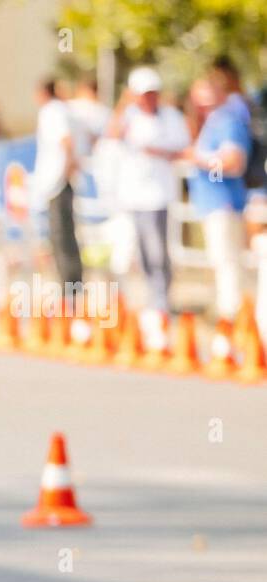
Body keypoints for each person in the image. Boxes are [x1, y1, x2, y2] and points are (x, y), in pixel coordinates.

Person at [104, 67, 190, 332]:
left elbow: (182, 147)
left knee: (157, 250)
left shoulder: (171, 117)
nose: (148, 99)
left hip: (159, 194)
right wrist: (123, 104)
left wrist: (158, 151)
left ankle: (161, 301)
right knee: (141, 252)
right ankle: (151, 300)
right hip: (133, 196)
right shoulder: (129, 116)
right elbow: (112, 135)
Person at [181, 60, 252, 359]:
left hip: (224, 204)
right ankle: (230, 329)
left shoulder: (228, 120)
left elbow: (234, 163)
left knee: (228, 268)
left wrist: (198, 159)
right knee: (222, 267)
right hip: (212, 205)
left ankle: (232, 332)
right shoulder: (212, 120)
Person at [33, 77, 83, 315]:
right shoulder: (63, 110)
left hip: (57, 183)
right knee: (62, 239)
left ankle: (70, 295)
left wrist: (66, 170)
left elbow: (66, 142)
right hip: (57, 182)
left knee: (62, 239)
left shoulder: (52, 112)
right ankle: (70, 292)